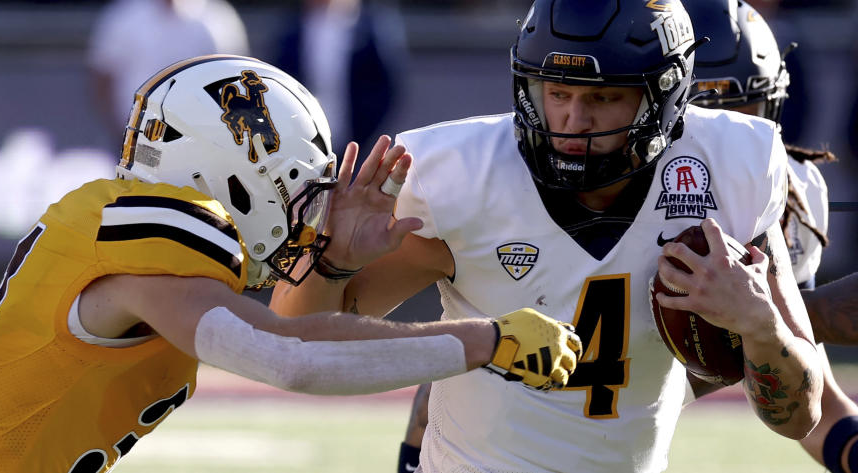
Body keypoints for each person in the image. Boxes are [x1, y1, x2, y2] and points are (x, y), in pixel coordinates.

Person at [0, 56, 583, 473]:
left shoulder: (125, 225)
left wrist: (334, 267)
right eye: (300, 199)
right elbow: (288, 356)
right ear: (234, 180)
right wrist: (486, 340)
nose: (306, 223)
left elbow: (295, 332)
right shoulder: (157, 247)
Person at [271, 0, 823, 471]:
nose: (572, 122)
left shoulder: (729, 165)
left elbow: (803, 413)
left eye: (603, 98)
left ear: (666, 96)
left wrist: (760, 325)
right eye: (556, 92)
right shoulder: (464, 177)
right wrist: (330, 262)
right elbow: (292, 347)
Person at [682, 2, 858, 472]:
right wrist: (810, 317)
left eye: (747, 120)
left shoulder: (795, 190)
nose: (737, 149)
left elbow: (809, 404)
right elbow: (631, 384)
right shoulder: (612, 195)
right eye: (711, 123)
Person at [87, 0, 250, 148]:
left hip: (201, 142)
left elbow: (233, 77)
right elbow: (103, 77)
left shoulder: (219, 19)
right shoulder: (123, 16)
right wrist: (120, 131)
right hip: (135, 139)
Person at [273, 0, 406, 150]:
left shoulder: (368, 28)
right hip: (304, 142)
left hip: (355, 141)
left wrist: (363, 133)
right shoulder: (291, 30)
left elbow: (384, 88)